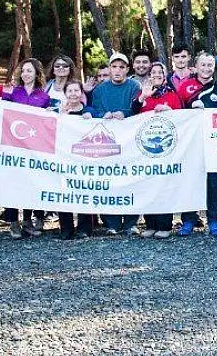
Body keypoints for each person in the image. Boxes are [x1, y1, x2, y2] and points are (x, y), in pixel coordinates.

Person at [177, 54, 217, 236]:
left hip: (212, 143)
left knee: (213, 183)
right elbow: (177, 112)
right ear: (196, 66)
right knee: (190, 181)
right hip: (190, 144)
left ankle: (214, 220)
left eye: (210, 65)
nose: (206, 68)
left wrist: (209, 111)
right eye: (203, 65)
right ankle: (188, 220)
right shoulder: (185, 86)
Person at [89, 52, 143, 235]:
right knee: (107, 179)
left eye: (122, 67)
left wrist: (125, 114)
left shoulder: (135, 86)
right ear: (109, 69)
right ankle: (110, 222)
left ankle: (130, 222)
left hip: (129, 142)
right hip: (106, 142)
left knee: (131, 179)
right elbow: (93, 111)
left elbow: (140, 110)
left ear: (127, 69)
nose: (118, 70)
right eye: (114, 66)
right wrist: (102, 116)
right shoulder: (99, 90)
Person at [0, 58, 51, 239]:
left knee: (32, 183)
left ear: (37, 73)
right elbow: (2, 113)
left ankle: (30, 220)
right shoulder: (14, 92)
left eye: (29, 71)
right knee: (13, 184)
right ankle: (13, 221)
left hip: (35, 148)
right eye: (23, 71)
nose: (26, 74)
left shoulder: (44, 96)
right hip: (14, 147)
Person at [137, 61, 183, 238]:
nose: (156, 74)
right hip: (145, 149)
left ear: (165, 76)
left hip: (166, 149)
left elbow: (182, 119)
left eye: (159, 72)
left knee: (164, 186)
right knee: (148, 186)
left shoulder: (173, 95)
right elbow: (131, 114)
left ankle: (164, 225)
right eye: (153, 72)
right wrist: (142, 98)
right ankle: (150, 224)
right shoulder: (143, 94)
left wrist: (169, 110)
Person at [56, 80, 95, 239]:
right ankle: (66, 228)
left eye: (76, 90)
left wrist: (91, 117)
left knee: (84, 191)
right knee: (64, 192)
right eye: (70, 91)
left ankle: (84, 228)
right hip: (64, 159)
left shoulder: (89, 111)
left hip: (84, 159)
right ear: (65, 94)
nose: (73, 94)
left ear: (81, 93)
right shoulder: (58, 112)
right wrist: (60, 116)